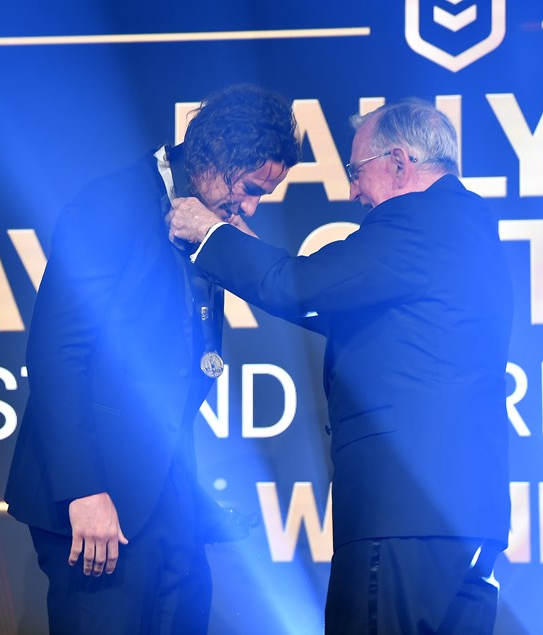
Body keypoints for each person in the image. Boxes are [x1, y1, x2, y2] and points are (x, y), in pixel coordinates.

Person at [168, 98, 513, 634]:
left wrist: (210, 235)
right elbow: (332, 302)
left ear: (398, 163)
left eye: (356, 171)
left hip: (402, 516)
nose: (353, 191)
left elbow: (301, 285)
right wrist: (244, 248)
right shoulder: (466, 225)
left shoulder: (417, 220)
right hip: (467, 523)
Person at [4, 84, 300, 634]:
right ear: (216, 156)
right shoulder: (112, 203)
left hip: (167, 497)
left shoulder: (206, 220)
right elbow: (56, 352)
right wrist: (84, 490)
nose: (252, 207)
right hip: (99, 498)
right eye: (251, 189)